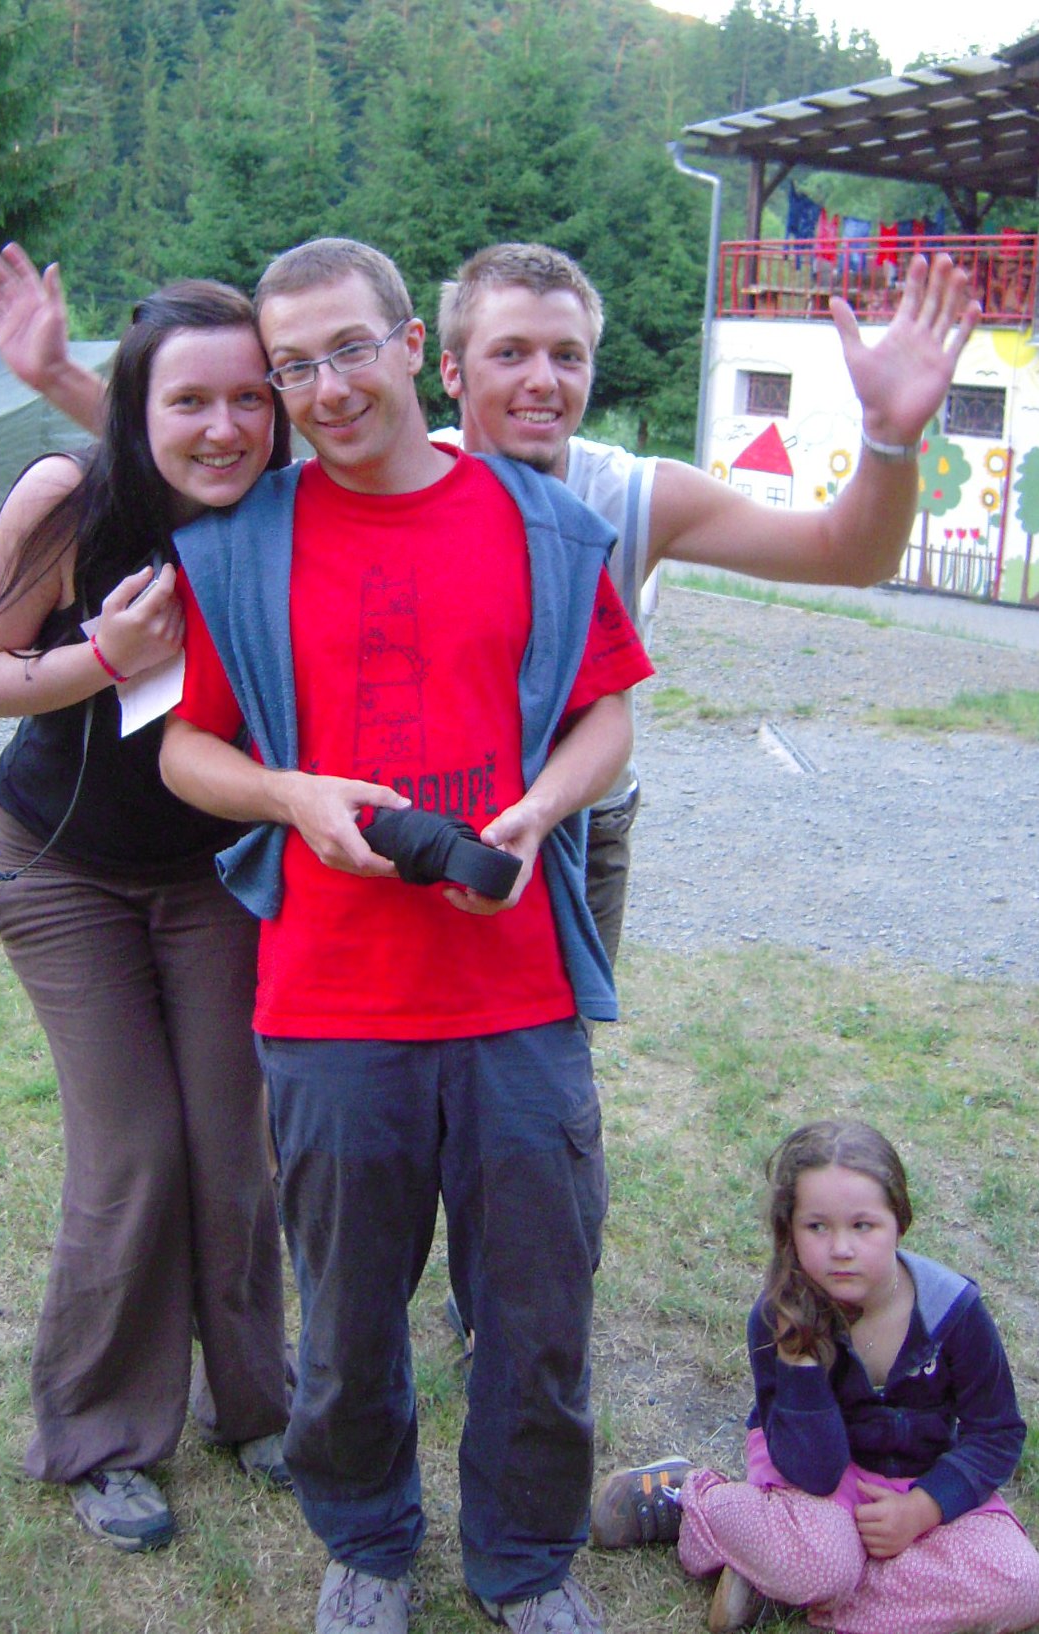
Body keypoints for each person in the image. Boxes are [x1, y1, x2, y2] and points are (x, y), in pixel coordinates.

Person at [0, 241, 980, 974]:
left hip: (577, 814)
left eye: (567, 355)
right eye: (509, 353)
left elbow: (846, 554)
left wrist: (889, 441)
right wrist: (60, 377)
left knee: (541, 1085)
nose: (541, 381)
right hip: (410, 817)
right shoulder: (397, 468)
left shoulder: (629, 493)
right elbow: (219, 457)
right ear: (443, 365)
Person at [155, 236, 652, 1634]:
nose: (325, 387)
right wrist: (288, 795)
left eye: (349, 349)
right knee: (346, 1318)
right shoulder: (238, 547)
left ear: (411, 349)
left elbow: (607, 712)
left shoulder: (544, 526)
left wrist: (538, 811)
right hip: (329, 1007)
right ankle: (367, 1541)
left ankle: (525, 1558)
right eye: (293, 365)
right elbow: (187, 748)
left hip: (516, 996)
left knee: (538, 1315)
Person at [0, 280, 293, 1552]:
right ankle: (98, 1431)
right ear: (137, 402)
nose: (223, 425)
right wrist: (104, 658)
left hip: (216, 872)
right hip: (63, 866)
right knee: (134, 1147)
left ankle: (255, 1402)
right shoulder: (65, 498)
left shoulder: (277, 510)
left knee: (233, 1145)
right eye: (188, 397)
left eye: (249, 397)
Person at [592, 1120, 1039, 1634]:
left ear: (900, 1220)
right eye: (817, 1227)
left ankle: (781, 1585)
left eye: (863, 1226)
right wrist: (800, 1361)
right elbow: (814, 1473)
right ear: (789, 1231)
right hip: (814, 1481)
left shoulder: (953, 1311)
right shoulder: (776, 1317)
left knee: (1022, 1585)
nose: (841, 1248)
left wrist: (924, 1508)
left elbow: (997, 1432)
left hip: (919, 1480)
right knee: (822, 1557)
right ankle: (697, 1500)